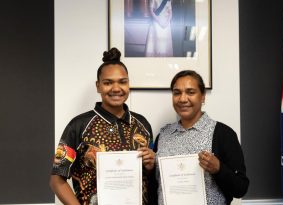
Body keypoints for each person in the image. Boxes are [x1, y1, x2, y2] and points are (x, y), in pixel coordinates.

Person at [49, 48, 157, 205]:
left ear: (128, 84)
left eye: (122, 82)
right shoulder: (78, 126)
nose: (116, 88)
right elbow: (56, 179)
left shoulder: (143, 125)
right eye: (108, 83)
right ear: (98, 86)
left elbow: (149, 176)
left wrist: (151, 165)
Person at [153, 70, 249, 204]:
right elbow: (156, 186)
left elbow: (241, 188)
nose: (182, 99)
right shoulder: (163, 135)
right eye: (177, 93)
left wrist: (219, 169)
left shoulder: (223, 134)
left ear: (203, 97)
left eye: (190, 92)